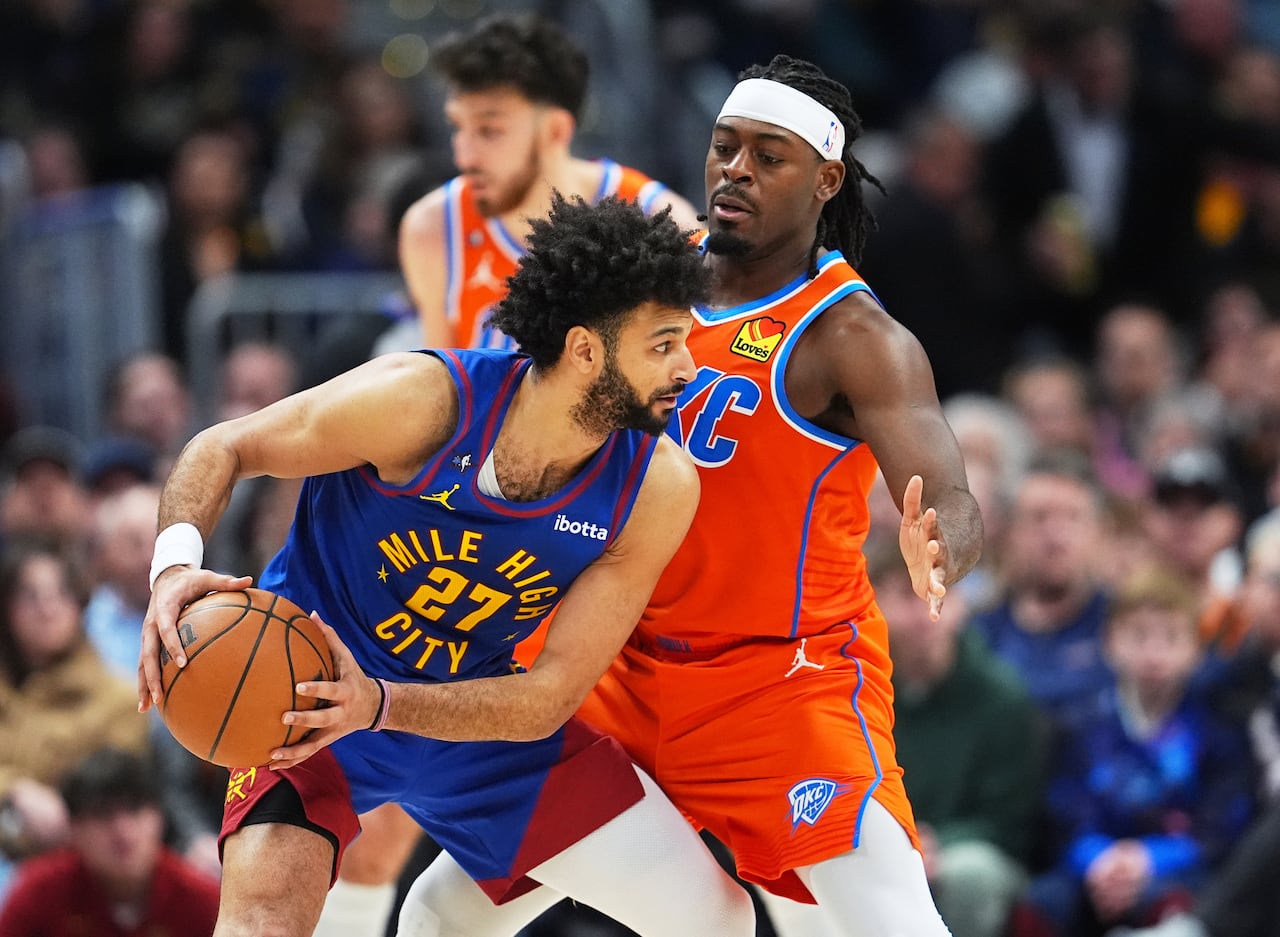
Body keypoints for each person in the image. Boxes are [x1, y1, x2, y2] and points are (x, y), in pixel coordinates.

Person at [400, 54, 983, 937]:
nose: (735, 170)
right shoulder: (640, 286)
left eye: (768, 156)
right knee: (441, 912)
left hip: (775, 689)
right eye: (724, 148)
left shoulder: (852, 336)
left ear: (826, 179)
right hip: (611, 668)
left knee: (894, 923)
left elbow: (946, 485)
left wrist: (942, 536)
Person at [137, 194, 757, 937]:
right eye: (663, 345)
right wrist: (172, 572)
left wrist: (384, 704)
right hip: (303, 697)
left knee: (718, 920)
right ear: (587, 349)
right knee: (261, 923)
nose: (687, 366)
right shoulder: (425, 403)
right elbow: (224, 446)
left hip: (473, 728)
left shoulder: (656, 486)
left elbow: (550, 693)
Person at [398, 12, 700, 352]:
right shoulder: (433, 230)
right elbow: (443, 388)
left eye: (489, 130)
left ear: (556, 130)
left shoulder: (659, 222)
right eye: (458, 127)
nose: (464, 156)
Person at [0, 746, 220, 937]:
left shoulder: (202, 900)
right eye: (103, 814)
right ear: (74, 827)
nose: (122, 831)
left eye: (135, 810)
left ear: (160, 817)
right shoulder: (38, 893)